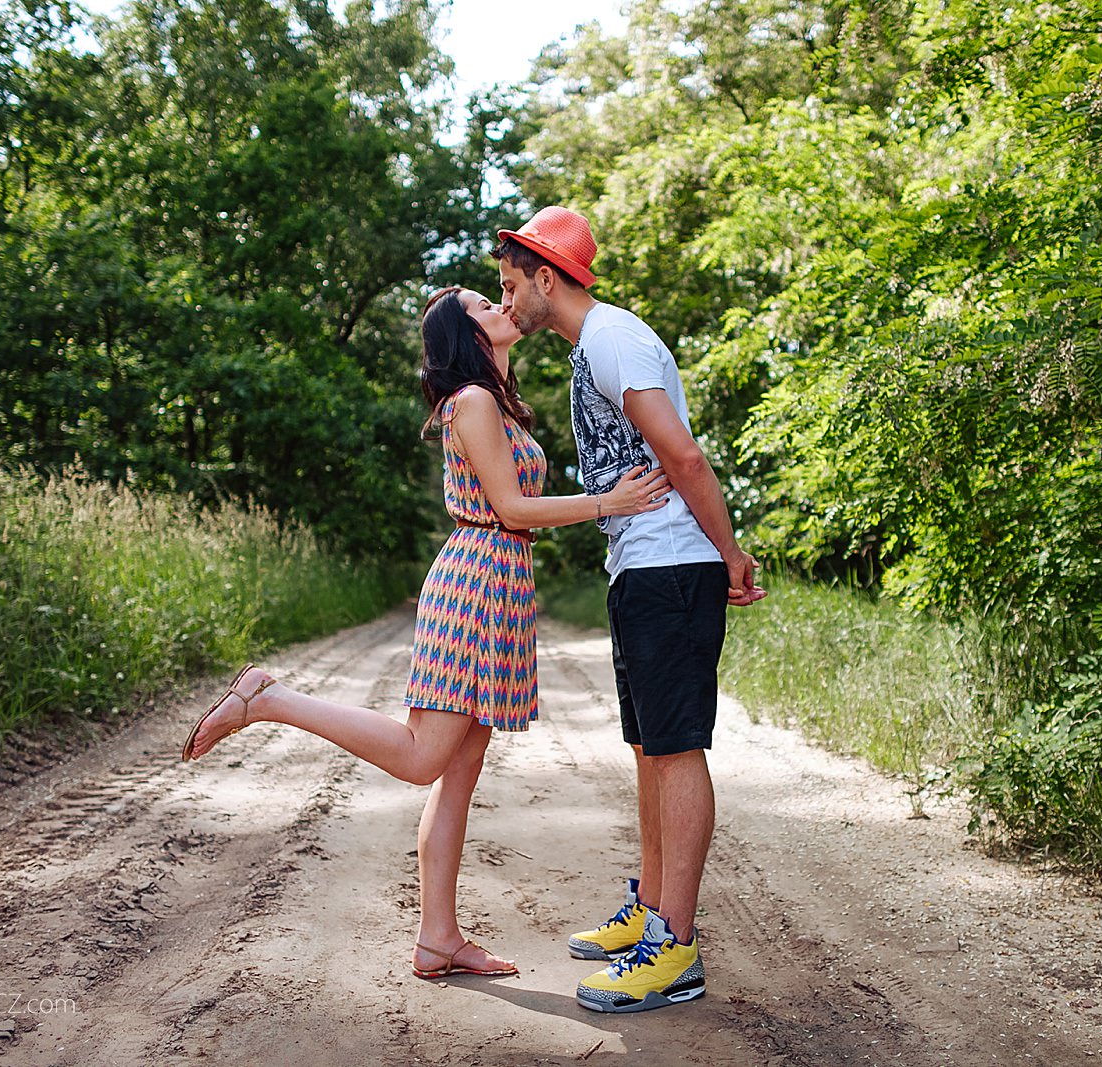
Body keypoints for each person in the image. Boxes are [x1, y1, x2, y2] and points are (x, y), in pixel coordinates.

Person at [179, 285, 672, 981]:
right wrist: (609, 503)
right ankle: (270, 698)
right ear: (466, 335)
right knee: (422, 759)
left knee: (459, 774)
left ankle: (438, 937)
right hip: (474, 581)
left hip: (501, 584)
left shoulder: (496, 403)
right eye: (481, 303)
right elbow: (511, 506)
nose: (498, 303)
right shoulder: (471, 403)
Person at [494, 206, 766, 1013]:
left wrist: (728, 553)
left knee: (676, 749)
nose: (505, 300)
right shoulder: (590, 348)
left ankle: (673, 947)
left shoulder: (611, 337)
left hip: (675, 565)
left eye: (511, 285)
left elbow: (681, 453)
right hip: (641, 567)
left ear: (548, 276)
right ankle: (651, 912)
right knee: (651, 746)